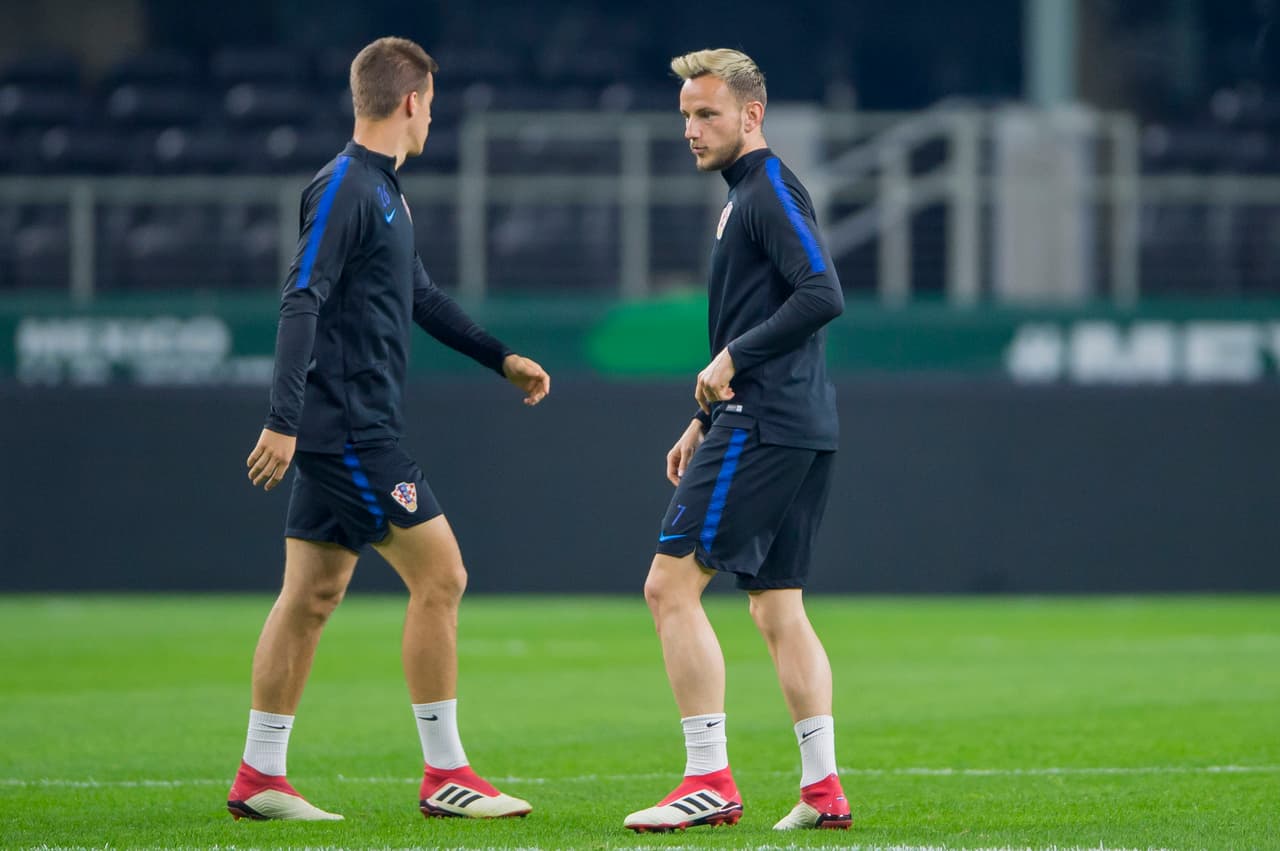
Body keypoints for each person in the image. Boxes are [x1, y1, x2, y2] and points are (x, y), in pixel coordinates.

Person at [226, 36, 549, 823]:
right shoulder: (345, 186)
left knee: (310, 594)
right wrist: (284, 419)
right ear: (411, 101)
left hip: (347, 425)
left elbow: (421, 295)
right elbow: (301, 296)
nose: (431, 118)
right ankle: (446, 773)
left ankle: (260, 776)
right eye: (431, 104)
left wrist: (498, 356)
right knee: (442, 576)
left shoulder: (386, 193)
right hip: (351, 430)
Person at [622, 48, 850, 833]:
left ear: (751, 115)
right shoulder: (746, 195)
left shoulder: (767, 188)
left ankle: (707, 778)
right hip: (794, 423)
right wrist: (702, 417)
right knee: (777, 605)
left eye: (707, 113)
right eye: (686, 114)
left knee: (668, 586)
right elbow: (762, 314)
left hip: (766, 421)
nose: (692, 128)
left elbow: (823, 292)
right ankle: (823, 791)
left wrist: (731, 364)